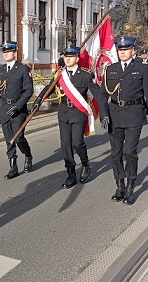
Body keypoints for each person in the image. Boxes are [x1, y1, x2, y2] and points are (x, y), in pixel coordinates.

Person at [99, 37, 148, 205]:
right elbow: (103, 95)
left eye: (126, 49)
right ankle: (119, 185)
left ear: (133, 51)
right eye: (120, 49)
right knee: (116, 153)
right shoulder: (110, 70)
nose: (123, 52)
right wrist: (104, 114)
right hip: (114, 115)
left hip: (134, 114)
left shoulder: (141, 69)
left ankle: (130, 186)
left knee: (130, 152)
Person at [33, 46, 105, 188]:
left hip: (78, 112)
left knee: (77, 143)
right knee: (65, 145)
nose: (68, 58)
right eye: (66, 56)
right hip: (64, 112)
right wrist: (38, 100)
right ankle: (71, 173)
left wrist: (105, 112)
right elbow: (49, 88)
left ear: (77, 58)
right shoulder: (60, 74)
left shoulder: (86, 75)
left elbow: (98, 94)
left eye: (71, 56)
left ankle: (85, 164)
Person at [0, 41, 33, 179]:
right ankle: (13, 166)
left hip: (18, 109)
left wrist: (18, 106)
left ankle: (27, 154)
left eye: (8, 52)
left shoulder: (22, 69)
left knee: (19, 137)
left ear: (15, 53)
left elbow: (28, 90)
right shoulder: (0, 71)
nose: (6, 54)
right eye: (4, 52)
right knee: (8, 139)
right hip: (4, 108)